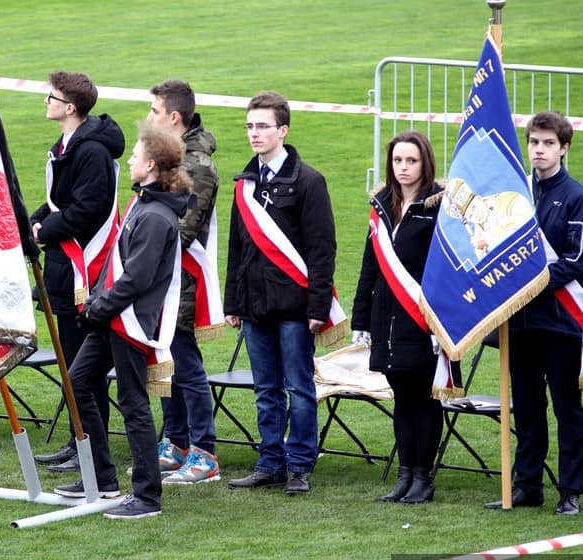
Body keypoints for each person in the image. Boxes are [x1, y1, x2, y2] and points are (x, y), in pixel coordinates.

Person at [54, 124, 190, 519]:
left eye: (136, 155)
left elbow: (137, 278)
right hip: (112, 317)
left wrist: (98, 308)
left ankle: (147, 496)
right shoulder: (144, 205)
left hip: (128, 322)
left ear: (151, 165)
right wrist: (98, 305)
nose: (129, 160)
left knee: (134, 406)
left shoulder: (155, 215)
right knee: (78, 383)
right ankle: (102, 478)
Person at [224, 91, 336, 494]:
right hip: (254, 305)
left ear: (283, 130)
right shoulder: (244, 184)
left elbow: (322, 250)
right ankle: (270, 461)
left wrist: (318, 306)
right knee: (265, 390)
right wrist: (233, 302)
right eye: (250, 126)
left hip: (294, 305)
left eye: (263, 126)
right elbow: (236, 249)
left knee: (299, 389)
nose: (254, 133)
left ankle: (299, 465)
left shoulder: (309, 181)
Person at [484, 111, 583, 516]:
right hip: (520, 322)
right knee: (526, 408)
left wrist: (530, 282)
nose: (539, 150)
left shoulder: (576, 195)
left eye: (548, 143)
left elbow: (575, 260)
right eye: (534, 142)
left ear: (564, 148)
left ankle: (571, 490)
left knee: (567, 409)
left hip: (561, 323)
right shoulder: (516, 193)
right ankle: (527, 485)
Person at [30, 71, 124, 473]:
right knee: (72, 365)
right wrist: (33, 222)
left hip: (83, 273)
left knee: (83, 370)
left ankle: (89, 446)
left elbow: (87, 210)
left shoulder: (91, 152)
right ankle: (77, 439)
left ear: (70, 107)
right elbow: (58, 202)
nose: (45, 102)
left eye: (51, 97)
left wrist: (43, 230)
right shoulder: (67, 146)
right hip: (65, 270)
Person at [351, 131, 444, 504]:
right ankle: (404, 476)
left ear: (425, 163)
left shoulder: (438, 207)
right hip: (385, 317)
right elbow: (369, 267)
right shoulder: (381, 206)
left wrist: (440, 323)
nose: (403, 167)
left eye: (411, 161)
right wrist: (360, 320)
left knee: (425, 399)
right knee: (402, 398)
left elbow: (444, 271)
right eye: (398, 160)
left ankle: (423, 477)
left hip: (423, 319)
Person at [145, 80, 221, 484]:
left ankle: (204, 452)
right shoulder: (172, 158)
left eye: (154, 111)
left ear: (174, 117)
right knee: (167, 363)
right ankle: (175, 444)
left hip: (181, 281)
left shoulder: (197, 165)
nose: (148, 119)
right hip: (160, 279)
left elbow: (183, 230)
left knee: (186, 366)